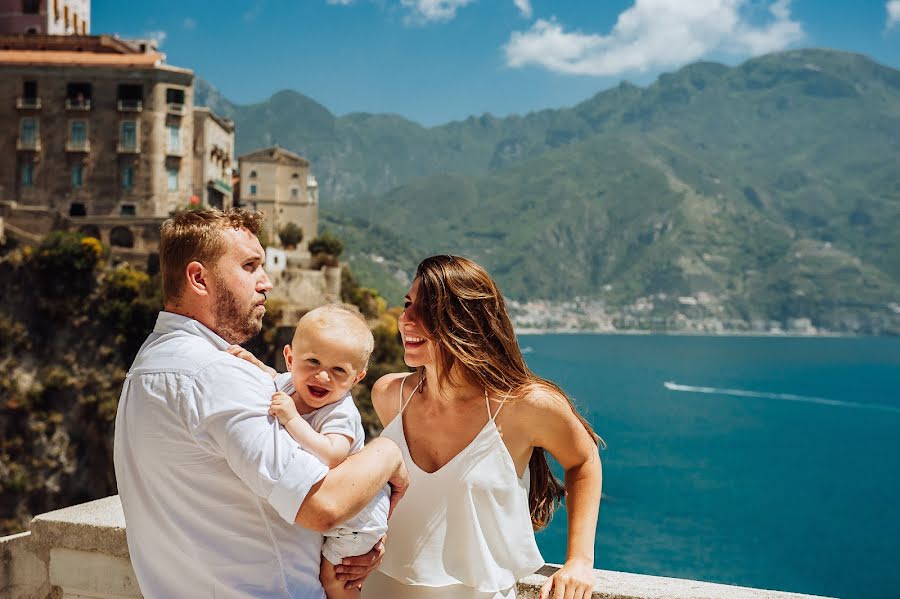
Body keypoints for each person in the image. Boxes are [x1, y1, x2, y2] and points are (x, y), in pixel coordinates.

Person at [113, 209, 408, 599]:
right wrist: (388, 452)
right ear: (199, 278)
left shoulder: (147, 366)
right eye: (250, 267)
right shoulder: (214, 376)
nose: (266, 283)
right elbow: (324, 504)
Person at [350, 255, 603, 599]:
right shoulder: (389, 396)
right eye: (407, 305)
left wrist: (579, 561)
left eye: (424, 309)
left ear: (463, 319)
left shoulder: (524, 405)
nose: (405, 320)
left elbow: (584, 459)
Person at [233, 305, 389, 599]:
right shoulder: (291, 382)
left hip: (357, 515)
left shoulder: (340, 412)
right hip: (336, 505)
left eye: (338, 370)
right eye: (312, 362)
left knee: (334, 579)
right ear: (290, 359)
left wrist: (292, 420)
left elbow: (332, 455)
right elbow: (276, 376)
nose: (323, 377)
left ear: (357, 378)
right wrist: (255, 364)